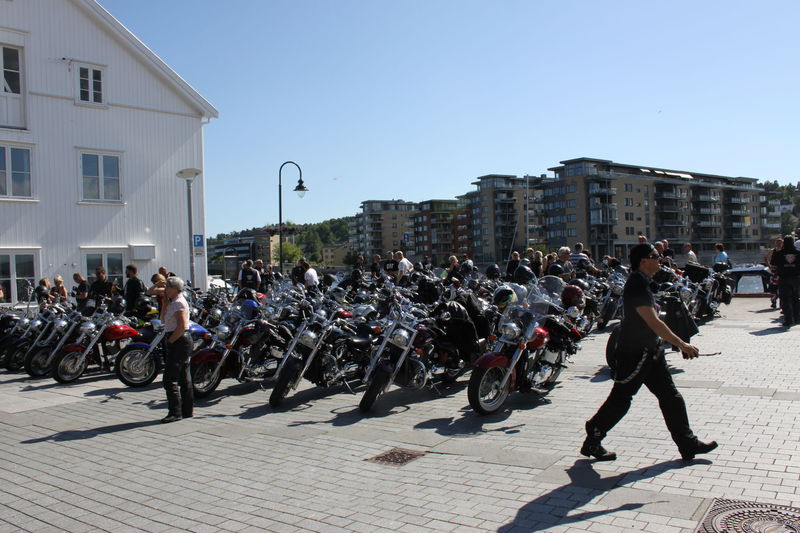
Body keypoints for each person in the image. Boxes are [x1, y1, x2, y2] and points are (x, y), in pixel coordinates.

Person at [581, 243, 717, 462]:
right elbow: (653, 322)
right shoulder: (636, 285)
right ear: (644, 261)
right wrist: (682, 344)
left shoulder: (644, 282)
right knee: (621, 398)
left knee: (670, 397)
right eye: (655, 256)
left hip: (651, 350)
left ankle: (688, 444)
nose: (659, 259)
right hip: (635, 353)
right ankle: (594, 434)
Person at [160, 276, 193, 423]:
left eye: (168, 287)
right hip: (176, 338)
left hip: (178, 340)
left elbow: (182, 326)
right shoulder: (172, 302)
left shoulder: (179, 302)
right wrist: (164, 304)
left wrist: (170, 341)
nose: (165, 290)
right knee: (184, 377)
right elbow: (162, 320)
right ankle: (186, 410)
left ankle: (175, 412)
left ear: (174, 288)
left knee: (169, 379)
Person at [770, 235, 800, 328]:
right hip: (796, 279)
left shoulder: (779, 253)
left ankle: (788, 320)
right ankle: (797, 318)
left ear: (784, 243)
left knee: (786, 300)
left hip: (784, 279)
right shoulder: (798, 253)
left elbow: (773, 263)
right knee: (796, 299)